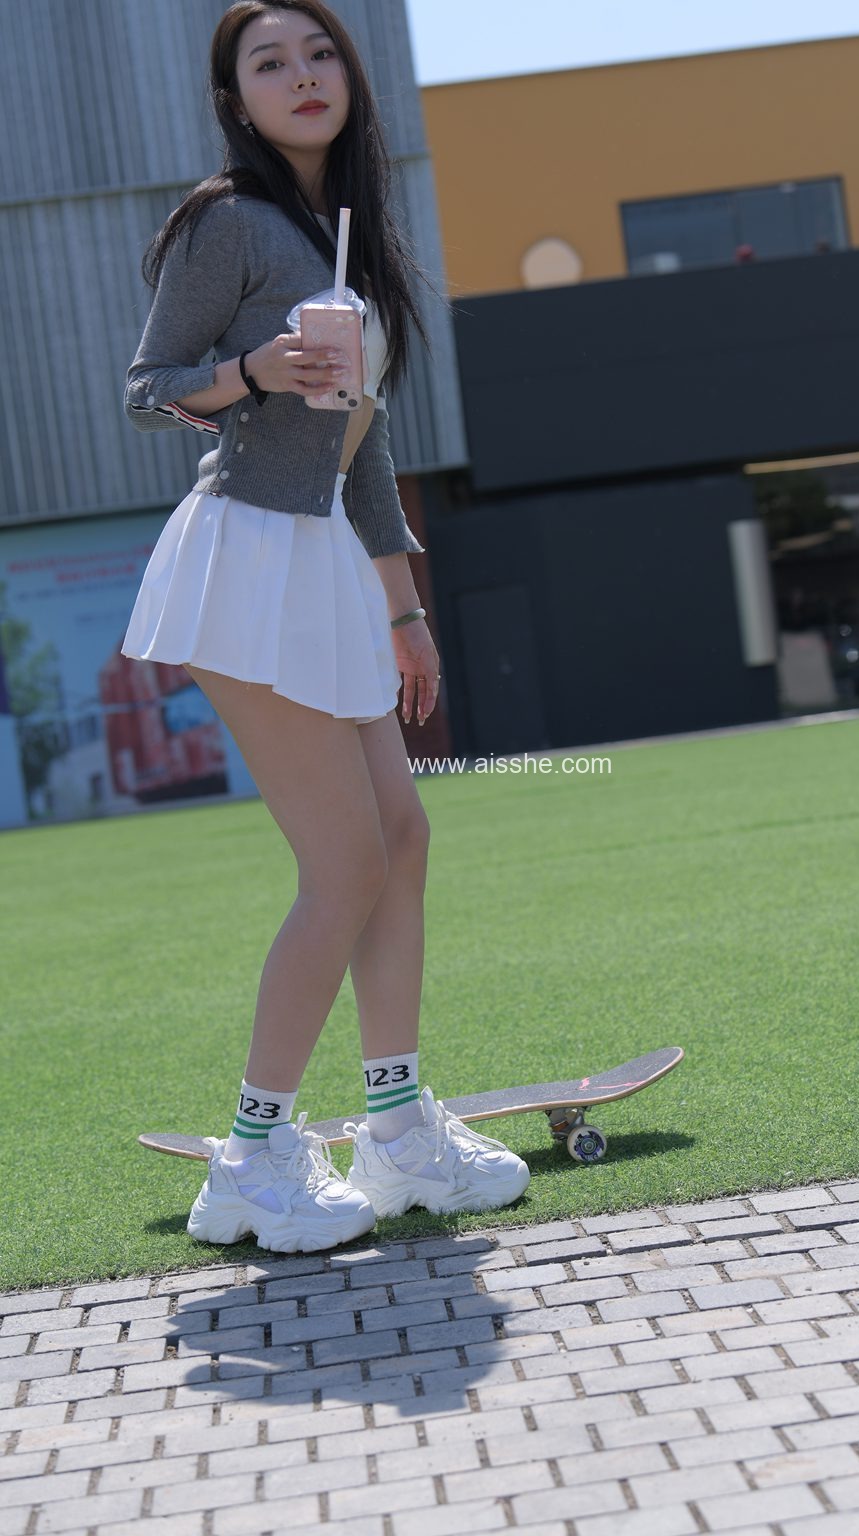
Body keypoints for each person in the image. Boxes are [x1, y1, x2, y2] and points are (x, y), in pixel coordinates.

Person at [121, 0, 530, 1253]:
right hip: (244, 555)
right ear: (237, 100)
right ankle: (251, 1160)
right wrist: (255, 372)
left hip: (329, 566)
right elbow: (147, 389)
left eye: (318, 55)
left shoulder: (347, 231)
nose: (301, 75)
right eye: (270, 62)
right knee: (344, 862)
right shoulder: (227, 222)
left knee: (400, 837)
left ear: (348, 79)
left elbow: (366, 443)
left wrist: (405, 608)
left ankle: (397, 1132)